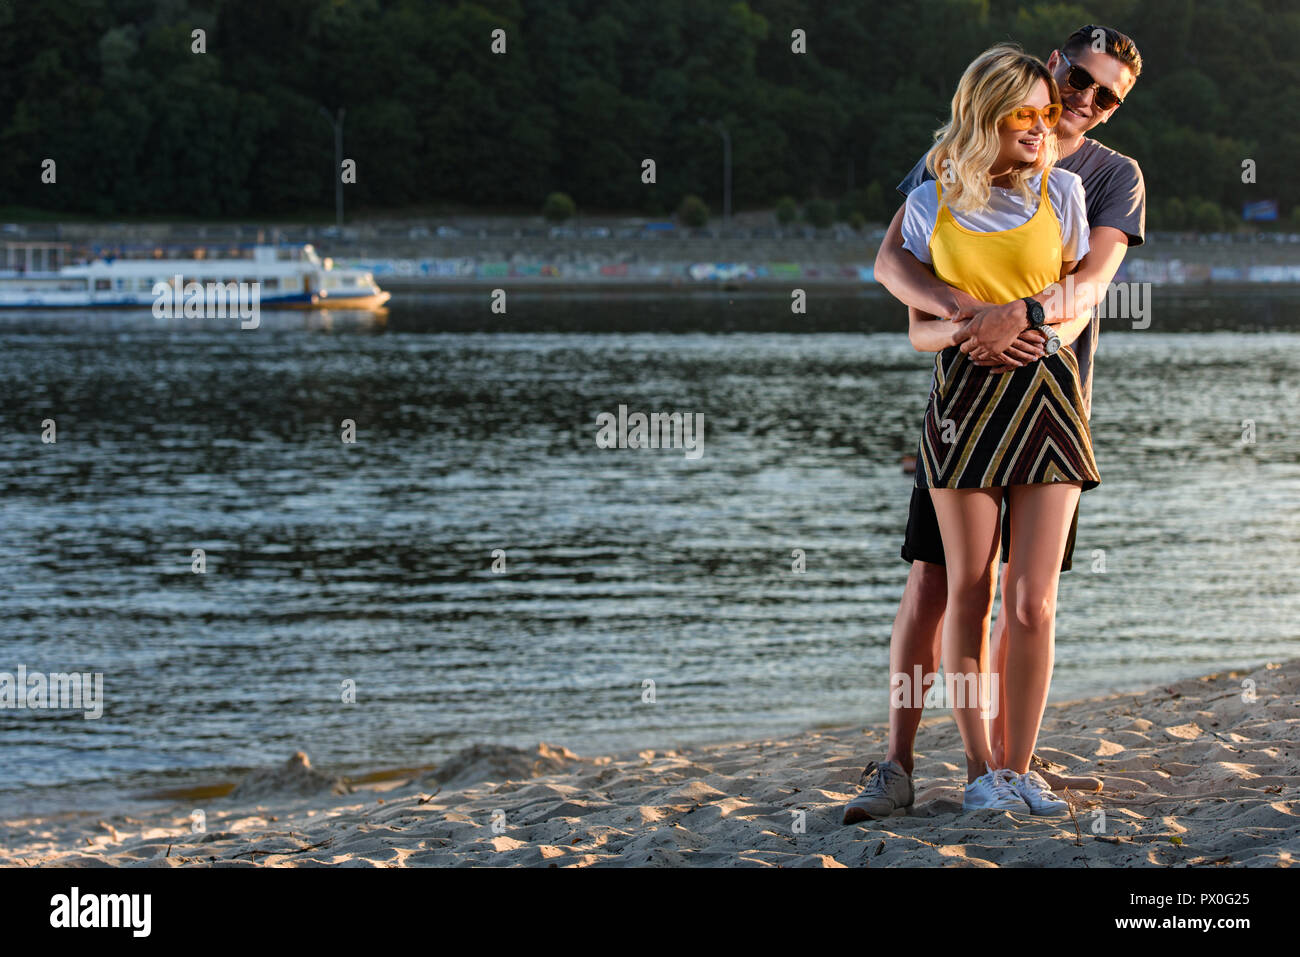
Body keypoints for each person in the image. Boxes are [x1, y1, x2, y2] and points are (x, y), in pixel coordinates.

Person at [845, 27, 1145, 822]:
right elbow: (890, 266)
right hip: (963, 402)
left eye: (1105, 95)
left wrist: (1024, 319)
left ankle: (1013, 764)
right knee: (939, 584)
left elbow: (1091, 284)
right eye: (1077, 78)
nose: (1083, 100)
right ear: (1052, 64)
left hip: (1052, 400)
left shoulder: (1108, 179)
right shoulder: (945, 168)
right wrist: (961, 318)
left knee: (1028, 598)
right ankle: (900, 762)